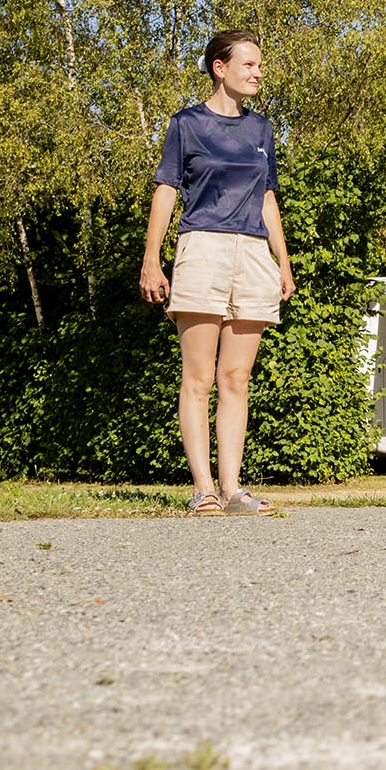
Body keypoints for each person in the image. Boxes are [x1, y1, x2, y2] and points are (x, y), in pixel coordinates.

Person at [140, 29, 296, 516]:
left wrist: (282, 261)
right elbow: (166, 189)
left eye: (260, 66)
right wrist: (151, 258)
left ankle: (232, 491)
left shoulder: (262, 131)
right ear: (219, 68)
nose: (257, 73)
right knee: (198, 377)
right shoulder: (187, 124)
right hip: (201, 248)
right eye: (248, 65)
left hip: (252, 255)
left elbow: (267, 197)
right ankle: (203, 489)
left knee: (236, 377)